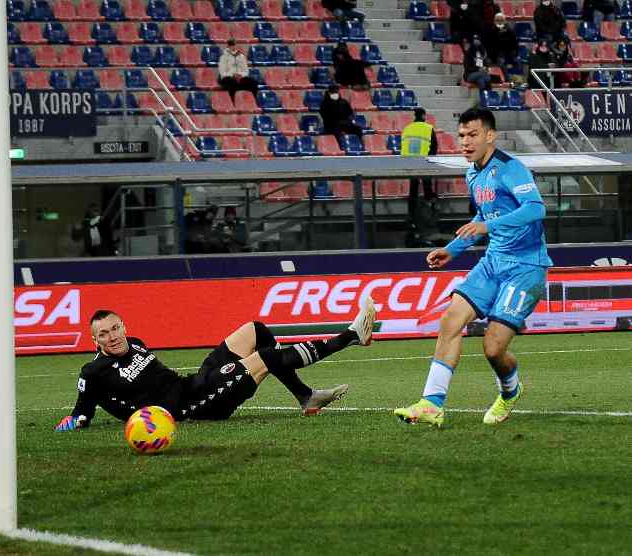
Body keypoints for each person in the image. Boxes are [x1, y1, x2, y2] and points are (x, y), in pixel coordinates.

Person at [394, 108, 552, 427]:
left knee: (493, 348)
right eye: (462, 135)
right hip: (493, 262)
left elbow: (536, 209)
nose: (465, 142)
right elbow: (483, 218)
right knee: (450, 320)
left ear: (490, 136)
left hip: (525, 266)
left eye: (473, 135)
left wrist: (487, 228)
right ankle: (432, 403)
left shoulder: (511, 168)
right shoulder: (472, 174)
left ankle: (510, 391)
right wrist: (452, 251)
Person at [55, 299, 376, 430]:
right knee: (265, 358)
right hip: (194, 406)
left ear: (123, 326)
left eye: (114, 328)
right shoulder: (93, 372)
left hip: (193, 383)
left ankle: (305, 397)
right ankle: (350, 336)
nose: (112, 337)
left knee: (256, 330)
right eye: (103, 334)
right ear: (94, 340)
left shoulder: (135, 342)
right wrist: (74, 421)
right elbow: (83, 410)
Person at [401, 108, 439, 230]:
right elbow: (434, 147)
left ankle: (411, 215)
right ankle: (430, 213)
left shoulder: (407, 128)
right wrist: (430, 160)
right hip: (424, 162)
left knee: (413, 190)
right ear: (423, 115)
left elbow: (403, 146)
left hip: (410, 163)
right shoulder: (428, 128)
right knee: (427, 187)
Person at [218, 38, 258, 103]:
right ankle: (233, 103)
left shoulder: (241, 57)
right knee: (232, 83)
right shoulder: (223, 57)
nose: (232, 46)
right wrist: (233, 75)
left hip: (240, 77)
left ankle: (252, 102)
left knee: (253, 83)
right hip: (228, 78)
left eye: (234, 45)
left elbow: (246, 71)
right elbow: (222, 72)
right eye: (231, 45)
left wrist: (240, 75)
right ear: (228, 46)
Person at [485, 13, 518, 79]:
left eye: (501, 20)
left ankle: (507, 79)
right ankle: (489, 78)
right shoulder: (490, 29)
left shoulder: (509, 30)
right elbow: (488, 43)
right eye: (497, 20)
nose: (499, 22)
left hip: (505, 53)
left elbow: (513, 44)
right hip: (492, 53)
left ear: (504, 21)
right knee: (486, 62)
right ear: (494, 21)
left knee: (501, 62)